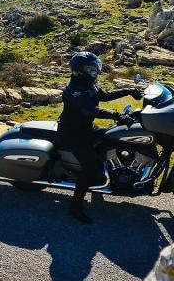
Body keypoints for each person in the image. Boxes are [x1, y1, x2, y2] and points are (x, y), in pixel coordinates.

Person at [57, 51, 140, 223]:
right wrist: (117, 116)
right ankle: (75, 208)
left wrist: (129, 91)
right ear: (81, 70)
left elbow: (104, 96)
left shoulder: (88, 83)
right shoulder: (75, 90)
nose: (95, 70)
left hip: (86, 127)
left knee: (109, 139)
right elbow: (91, 110)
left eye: (95, 67)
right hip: (72, 133)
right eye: (91, 68)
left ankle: (109, 176)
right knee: (90, 168)